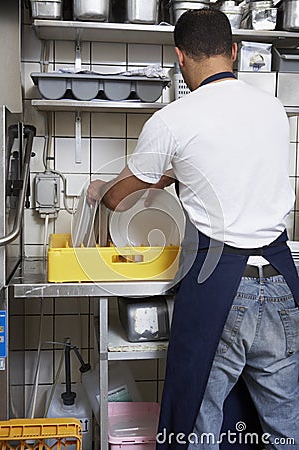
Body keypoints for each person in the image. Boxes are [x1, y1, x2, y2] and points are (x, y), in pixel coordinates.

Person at [87, 9, 299, 450]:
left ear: (180, 58)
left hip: (221, 290)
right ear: (235, 51)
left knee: (196, 425)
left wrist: (100, 189)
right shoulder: (274, 110)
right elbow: (211, 168)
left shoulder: (174, 119)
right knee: (286, 425)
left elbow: (119, 196)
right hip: (282, 283)